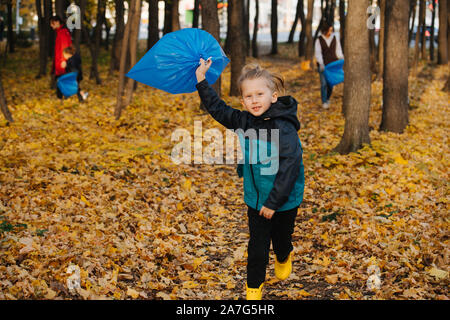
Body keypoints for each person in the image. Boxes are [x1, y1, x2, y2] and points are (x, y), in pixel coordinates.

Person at [195, 60, 305, 300]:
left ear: (273, 96)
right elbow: (218, 109)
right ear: (243, 101)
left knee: (282, 239)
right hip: (256, 199)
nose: (254, 100)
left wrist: (273, 203)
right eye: (248, 96)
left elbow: (289, 167)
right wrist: (202, 80)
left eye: (259, 94)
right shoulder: (245, 121)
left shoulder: (284, 128)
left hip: (284, 199)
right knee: (257, 246)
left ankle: (285, 254)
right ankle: (253, 288)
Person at [314, 21, 344, 109]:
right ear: (324, 31)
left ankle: (327, 98)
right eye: (329, 31)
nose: (330, 32)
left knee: (330, 84)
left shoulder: (335, 38)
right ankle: (324, 102)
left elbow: (338, 50)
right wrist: (321, 63)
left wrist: (342, 58)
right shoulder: (319, 40)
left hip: (332, 65)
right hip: (323, 66)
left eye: (331, 30)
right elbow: (318, 53)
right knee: (323, 84)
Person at [50, 15, 72, 99]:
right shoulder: (61, 32)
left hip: (62, 62)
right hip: (60, 61)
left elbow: (65, 47)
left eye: (52, 23)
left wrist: (64, 60)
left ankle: (61, 99)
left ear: (57, 22)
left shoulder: (62, 33)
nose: (51, 26)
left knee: (61, 80)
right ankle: (61, 98)